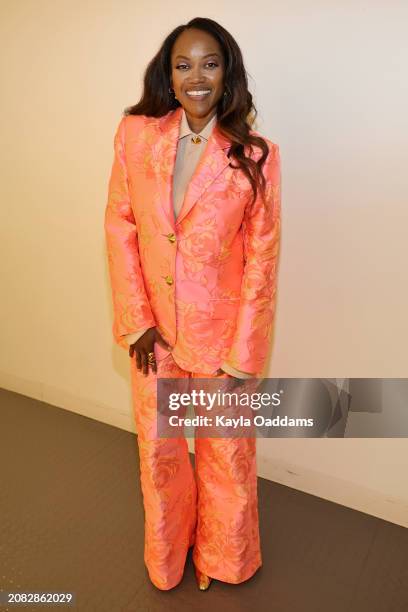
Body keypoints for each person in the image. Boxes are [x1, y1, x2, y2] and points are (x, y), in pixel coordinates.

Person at [104, 16, 281, 591]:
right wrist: (136, 324)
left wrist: (242, 357)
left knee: (225, 458)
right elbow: (120, 226)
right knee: (160, 457)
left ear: (227, 73)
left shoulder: (256, 156)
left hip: (221, 340)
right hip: (154, 335)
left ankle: (223, 559)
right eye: (184, 65)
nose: (196, 76)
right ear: (169, 74)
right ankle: (169, 555)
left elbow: (262, 261)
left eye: (210, 63)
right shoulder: (136, 135)